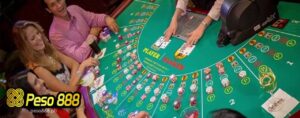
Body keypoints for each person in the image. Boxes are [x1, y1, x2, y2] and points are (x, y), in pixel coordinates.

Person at [12, 20, 98, 93]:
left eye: (38, 33)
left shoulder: (49, 49)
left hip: (80, 86)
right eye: (33, 38)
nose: (39, 38)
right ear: (26, 47)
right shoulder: (38, 69)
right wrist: (82, 67)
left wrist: (74, 80)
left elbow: (74, 64)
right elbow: (70, 92)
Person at [40, 0, 119, 63]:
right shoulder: (54, 34)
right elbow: (80, 57)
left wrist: (106, 19)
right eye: (53, 5)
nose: (59, 6)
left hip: (101, 47)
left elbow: (94, 19)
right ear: (48, 10)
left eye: (59, 0)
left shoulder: (74, 8)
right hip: (90, 66)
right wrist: (92, 35)